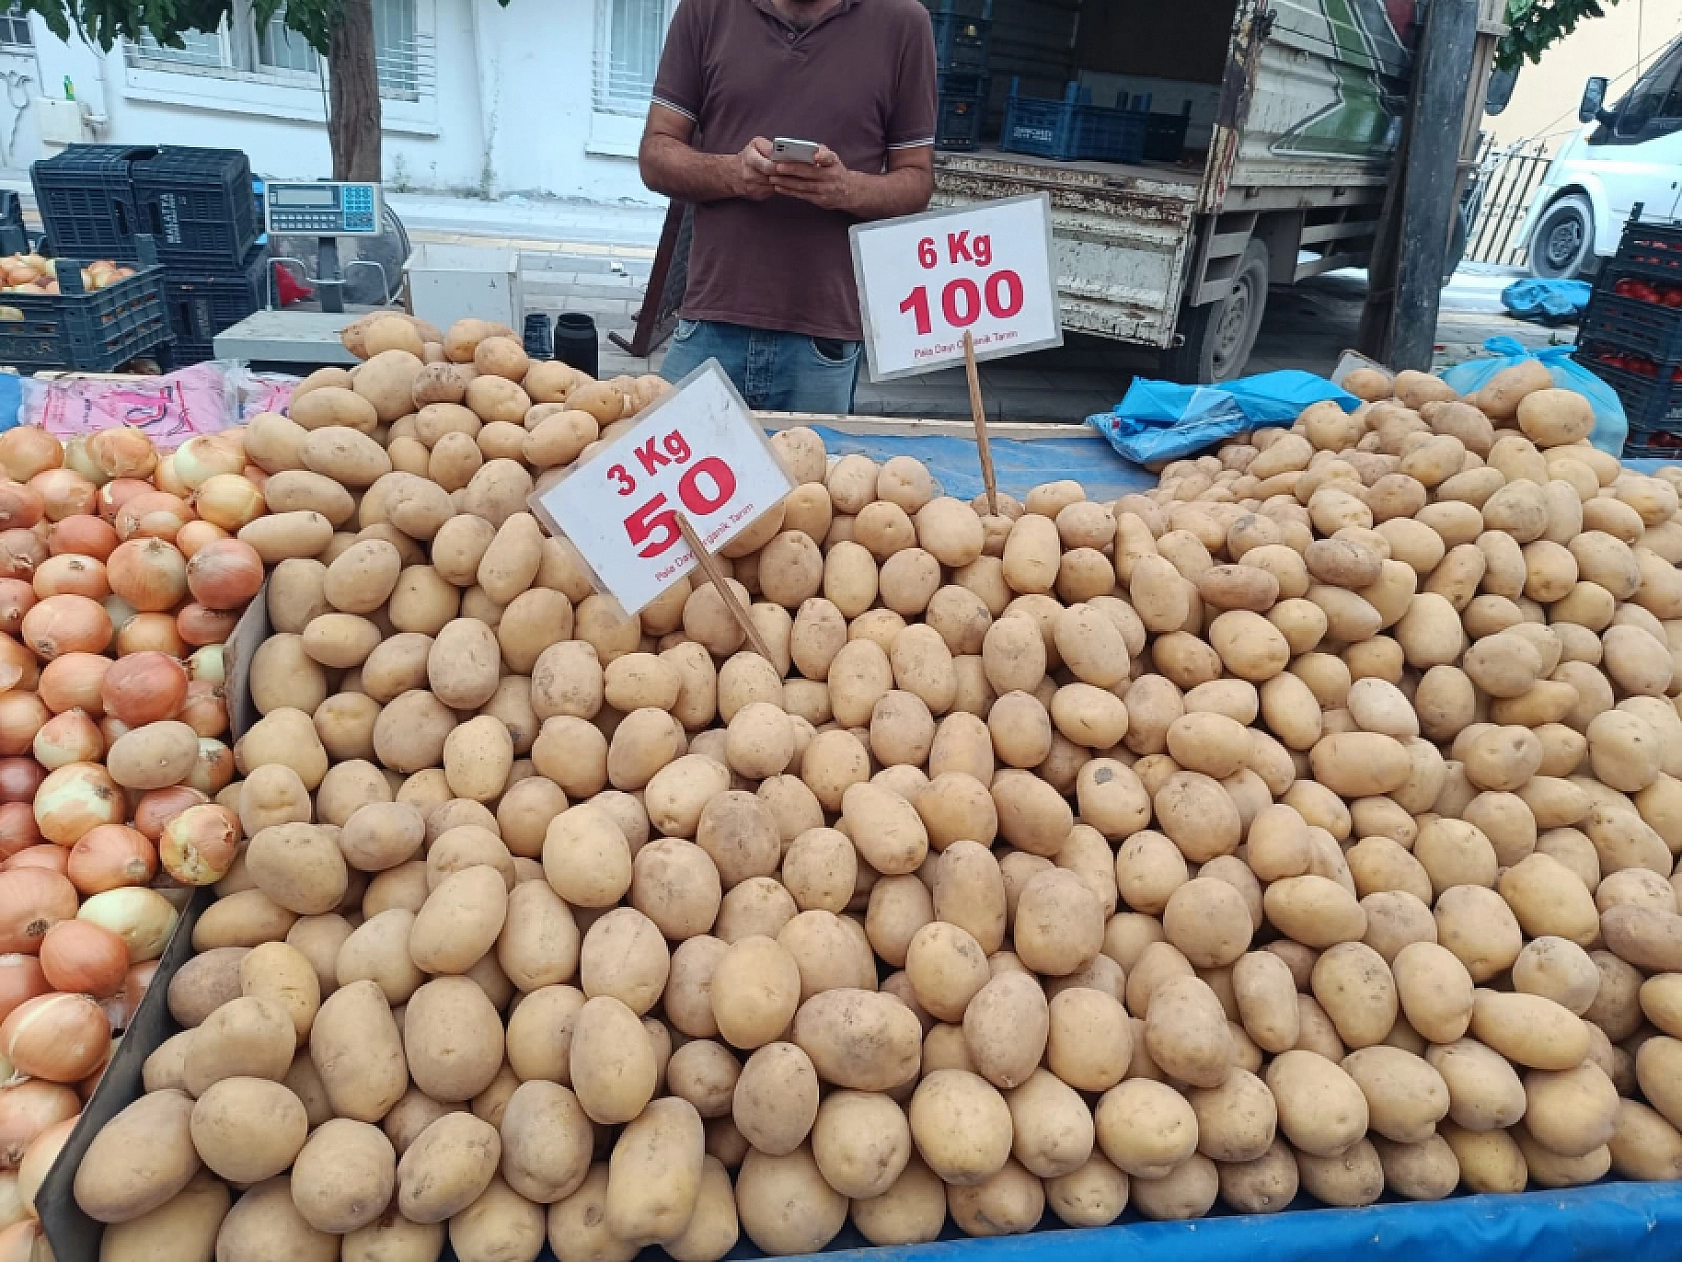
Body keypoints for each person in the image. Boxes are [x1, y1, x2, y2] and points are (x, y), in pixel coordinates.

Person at [639, 0, 938, 414]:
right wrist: (734, 174)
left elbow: (916, 181)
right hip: (710, 319)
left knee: (813, 478)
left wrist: (844, 188)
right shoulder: (706, 10)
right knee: (671, 473)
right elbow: (656, 154)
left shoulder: (903, 22)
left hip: (824, 335)